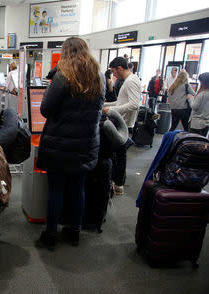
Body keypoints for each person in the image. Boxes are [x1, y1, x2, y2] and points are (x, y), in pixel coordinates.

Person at [36, 37, 104, 249]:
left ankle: (51, 235)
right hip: (86, 145)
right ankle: (74, 231)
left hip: (60, 145)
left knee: (56, 189)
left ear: (65, 52)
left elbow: (45, 109)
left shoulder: (63, 76)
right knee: (78, 188)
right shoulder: (99, 76)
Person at [103, 57, 141, 195]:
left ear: (120, 68)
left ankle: (119, 184)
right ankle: (118, 182)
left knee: (120, 155)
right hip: (121, 122)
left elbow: (134, 104)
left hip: (123, 125)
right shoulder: (128, 81)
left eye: (114, 71)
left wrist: (112, 111)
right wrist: (105, 105)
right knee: (118, 154)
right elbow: (120, 103)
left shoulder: (131, 82)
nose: (114, 75)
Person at [188, 72, 209, 137]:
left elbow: (194, 107)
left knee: (192, 143)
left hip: (196, 124)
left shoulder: (202, 94)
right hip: (206, 124)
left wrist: (190, 98)